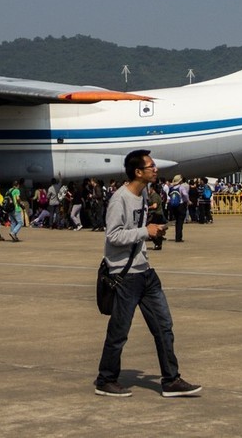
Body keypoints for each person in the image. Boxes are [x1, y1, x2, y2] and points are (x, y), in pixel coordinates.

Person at [94, 150, 200, 398]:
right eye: (151, 166)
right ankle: (105, 379)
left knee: (164, 326)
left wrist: (153, 232)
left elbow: (138, 231)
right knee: (119, 331)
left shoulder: (143, 195)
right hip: (125, 275)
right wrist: (145, 232)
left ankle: (171, 380)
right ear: (138, 172)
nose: (156, 169)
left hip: (146, 272)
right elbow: (113, 236)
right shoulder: (119, 199)